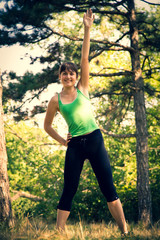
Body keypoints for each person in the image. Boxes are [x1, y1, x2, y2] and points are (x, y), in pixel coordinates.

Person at [44, 9, 128, 236]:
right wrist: (63, 140)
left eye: (72, 73)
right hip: (75, 146)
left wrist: (87, 29)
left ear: (75, 76)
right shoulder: (56, 100)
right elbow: (47, 126)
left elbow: (84, 59)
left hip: (94, 140)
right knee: (69, 189)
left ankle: (125, 231)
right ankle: (59, 233)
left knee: (108, 188)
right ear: (60, 77)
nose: (69, 76)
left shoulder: (83, 88)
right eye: (65, 74)